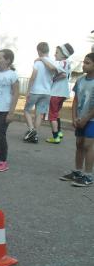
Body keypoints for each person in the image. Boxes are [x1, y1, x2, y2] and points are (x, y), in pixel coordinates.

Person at [60, 52, 94, 187]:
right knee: (79, 144)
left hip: (91, 120)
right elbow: (75, 100)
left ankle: (88, 175)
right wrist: (74, 117)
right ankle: (78, 172)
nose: (84, 65)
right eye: (84, 62)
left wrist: (86, 118)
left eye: (87, 63)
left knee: (88, 145)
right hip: (80, 119)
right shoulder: (80, 80)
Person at [23, 42, 58, 143]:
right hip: (47, 92)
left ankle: (32, 130)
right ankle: (35, 135)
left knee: (27, 110)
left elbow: (33, 77)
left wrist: (28, 90)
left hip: (35, 91)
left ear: (38, 51)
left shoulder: (38, 62)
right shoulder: (53, 62)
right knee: (39, 114)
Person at [47, 43, 75, 143]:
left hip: (56, 93)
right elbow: (65, 74)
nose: (55, 54)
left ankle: (55, 137)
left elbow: (62, 74)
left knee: (52, 116)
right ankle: (59, 132)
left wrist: (53, 79)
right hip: (63, 93)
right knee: (56, 113)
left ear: (63, 54)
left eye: (57, 52)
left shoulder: (61, 63)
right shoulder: (68, 63)